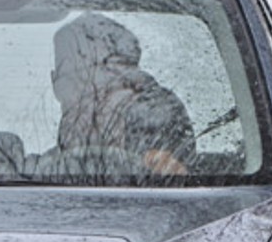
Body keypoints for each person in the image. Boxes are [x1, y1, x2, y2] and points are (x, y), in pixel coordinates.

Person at [50, 12, 195, 174]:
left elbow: (188, 179)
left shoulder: (160, 123)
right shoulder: (38, 172)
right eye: (69, 73)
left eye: (102, 74)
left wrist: (173, 172)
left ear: (132, 83)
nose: (84, 88)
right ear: (55, 83)